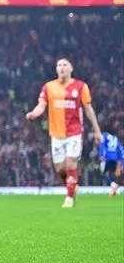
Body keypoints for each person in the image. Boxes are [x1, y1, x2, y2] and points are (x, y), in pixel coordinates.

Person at [26, 58, 103, 208]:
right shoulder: (49, 87)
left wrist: (97, 130)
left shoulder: (81, 87)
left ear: (71, 69)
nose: (62, 68)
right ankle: (73, 186)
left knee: (70, 163)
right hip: (56, 134)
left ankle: (69, 199)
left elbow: (88, 109)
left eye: (65, 65)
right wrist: (34, 114)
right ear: (56, 69)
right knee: (60, 169)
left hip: (74, 132)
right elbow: (41, 105)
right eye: (59, 65)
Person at [98, 130, 121, 198]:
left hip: (108, 157)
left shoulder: (105, 135)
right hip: (115, 157)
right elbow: (118, 148)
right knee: (112, 174)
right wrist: (119, 159)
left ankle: (113, 185)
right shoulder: (115, 137)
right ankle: (114, 191)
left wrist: (101, 155)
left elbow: (103, 145)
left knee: (104, 173)